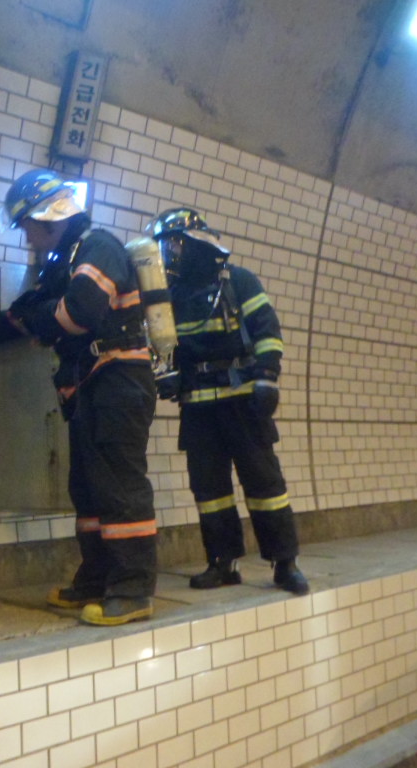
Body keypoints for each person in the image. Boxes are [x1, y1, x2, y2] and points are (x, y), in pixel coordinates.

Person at [0, 168, 159, 626]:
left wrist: (41, 316)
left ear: (46, 216)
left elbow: (77, 314)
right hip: (92, 385)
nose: (26, 237)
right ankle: (96, 579)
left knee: (120, 487)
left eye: (27, 226)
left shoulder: (99, 247)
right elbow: (30, 316)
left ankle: (133, 589)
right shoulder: (67, 259)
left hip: (120, 382)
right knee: (89, 489)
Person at [145, 207, 309, 595]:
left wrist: (267, 377)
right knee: (209, 491)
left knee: (265, 484)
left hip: (243, 402)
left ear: (195, 242)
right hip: (198, 408)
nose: (170, 253)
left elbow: (267, 330)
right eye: (165, 247)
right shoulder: (172, 297)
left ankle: (285, 563)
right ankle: (222, 563)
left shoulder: (238, 281)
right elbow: (167, 350)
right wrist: (168, 374)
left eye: (174, 244)